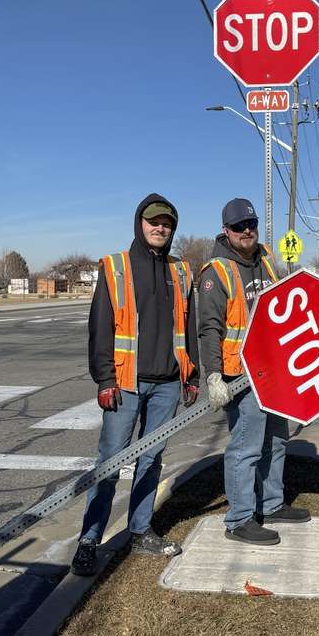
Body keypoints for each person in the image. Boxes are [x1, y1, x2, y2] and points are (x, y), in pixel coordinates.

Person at [71, 194, 201, 576]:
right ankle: (89, 539)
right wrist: (105, 380)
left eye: (167, 224)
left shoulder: (180, 271)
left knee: (152, 460)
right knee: (109, 464)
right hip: (125, 384)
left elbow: (188, 327)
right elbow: (100, 330)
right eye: (154, 221)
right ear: (139, 223)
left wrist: (190, 374)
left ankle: (141, 529)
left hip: (167, 386)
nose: (160, 228)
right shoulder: (115, 267)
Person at [199, 197, 311, 545]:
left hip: (273, 372)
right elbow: (209, 328)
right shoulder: (216, 272)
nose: (247, 231)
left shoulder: (266, 262)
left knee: (276, 440)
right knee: (246, 448)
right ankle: (239, 519)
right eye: (238, 227)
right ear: (226, 231)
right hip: (240, 376)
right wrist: (214, 374)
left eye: (251, 224)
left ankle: (273, 503)